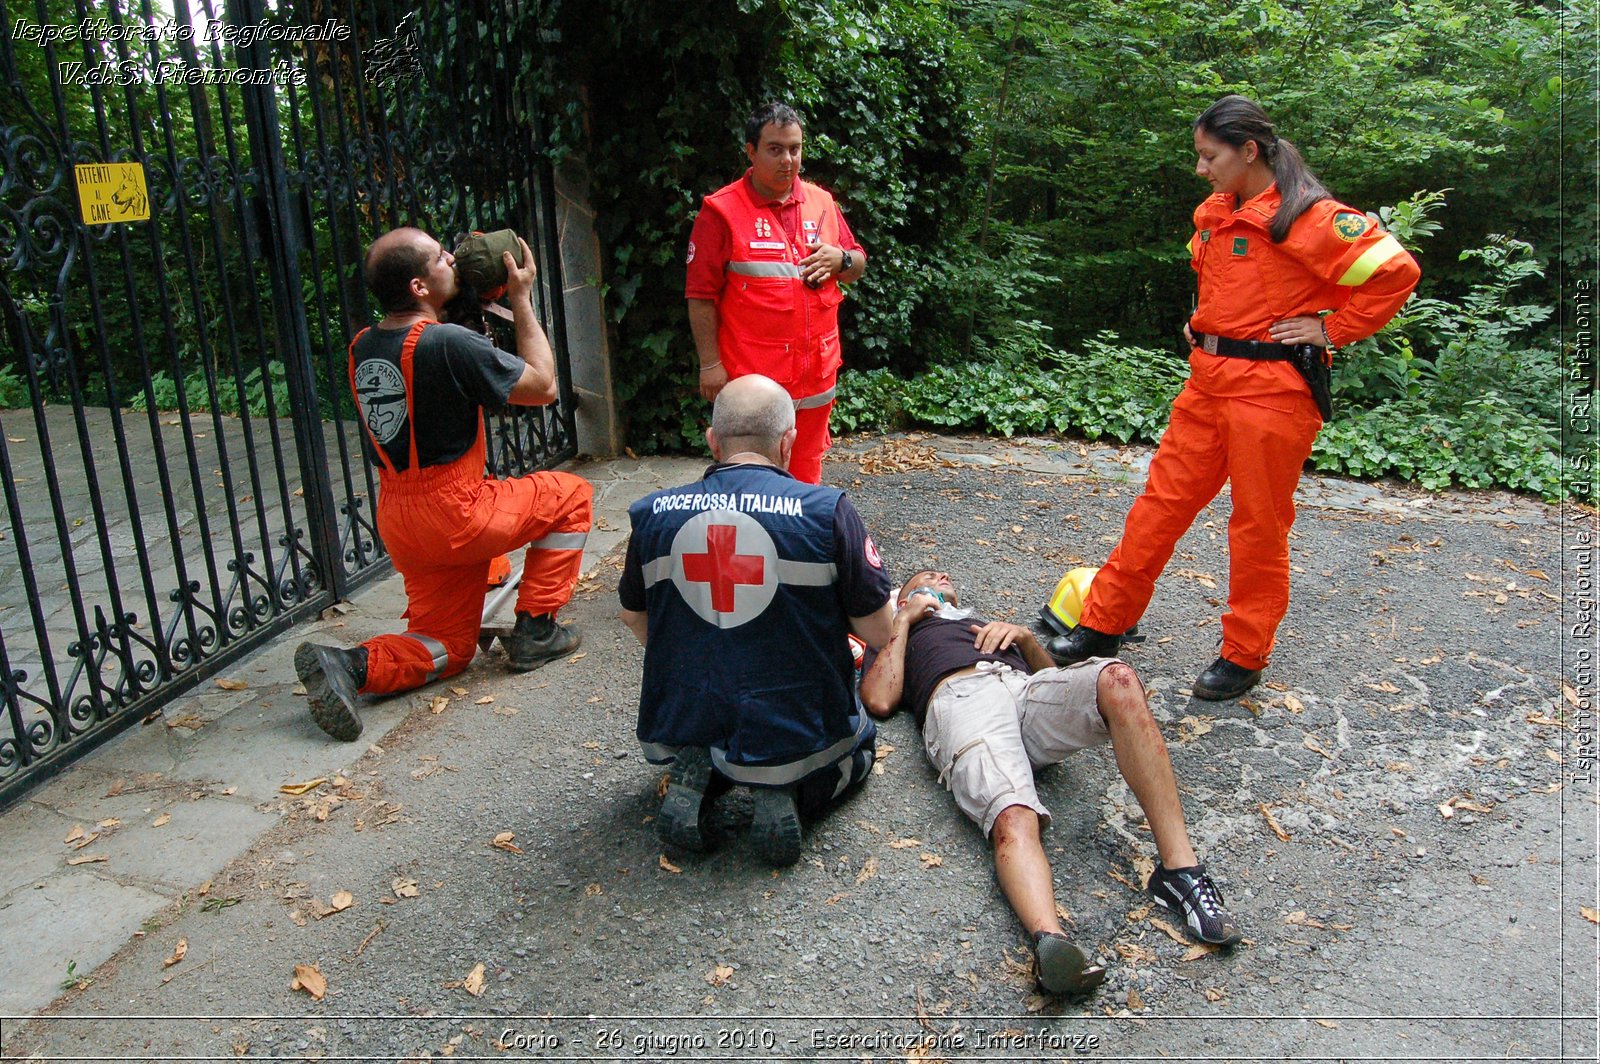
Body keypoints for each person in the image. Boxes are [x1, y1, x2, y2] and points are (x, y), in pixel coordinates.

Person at [1049, 94, 1421, 700]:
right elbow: (1230, 284)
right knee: (1158, 507)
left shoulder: (1312, 218)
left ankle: (1244, 654)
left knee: (1257, 528)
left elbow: (1396, 271)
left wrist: (1331, 329)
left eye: (1209, 156)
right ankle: (1103, 623)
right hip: (1208, 383)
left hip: (1273, 394)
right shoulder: (1218, 213)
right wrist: (1206, 321)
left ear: (1249, 151)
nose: (1202, 169)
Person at [861, 569, 1241, 997]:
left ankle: (1180, 870)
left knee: (1118, 679)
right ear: (903, 597)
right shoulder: (897, 634)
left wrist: (1025, 639)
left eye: (943, 575)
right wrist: (904, 622)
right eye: (924, 578)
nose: (939, 576)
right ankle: (1052, 944)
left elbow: (1048, 677)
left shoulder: (980, 622)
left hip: (1023, 689)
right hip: (962, 700)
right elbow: (878, 699)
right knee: (1014, 812)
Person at [295, 228, 592, 741]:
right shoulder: (449, 343)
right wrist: (520, 298)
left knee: (447, 648)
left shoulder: (365, 345)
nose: (451, 258)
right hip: (456, 511)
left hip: (400, 517)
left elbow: (446, 371)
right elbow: (541, 387)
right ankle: (537, 630)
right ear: (418, 286)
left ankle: (350, 665)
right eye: (439, 257)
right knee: (570, 495)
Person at [618, 374, 894, 865]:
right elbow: (878, 630)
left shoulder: (652, 512)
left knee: (717, 722)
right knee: (862, 748)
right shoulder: (826, 511)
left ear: (712, 440)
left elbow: (632, 615)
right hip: (794, 719)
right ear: (789, 442)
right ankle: (788, 792)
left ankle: (706, 770)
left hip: (683, 716)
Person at [685, 102, 867, 484]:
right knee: (750, 483)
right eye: (775, 149)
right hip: (753, 389)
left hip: (815, 383)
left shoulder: (822, 202)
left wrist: (843, 259)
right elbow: (700, 294)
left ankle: (797, 542)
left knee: (805, 481)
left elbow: (857, 263)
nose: (788, 159)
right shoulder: (720, 212)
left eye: (795, 148)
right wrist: (709, 364)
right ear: (750, 151)